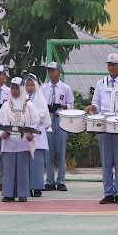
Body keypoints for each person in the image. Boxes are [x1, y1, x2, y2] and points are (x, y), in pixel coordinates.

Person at [84, 53, 118, 204]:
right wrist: (92, 107)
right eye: (109, 64)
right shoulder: (101, 83)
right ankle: (108, 192)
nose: (112, 67)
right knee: (106, 159)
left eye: (114, 64)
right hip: (105, 124)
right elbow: (97, 103)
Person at [0, 77, 40, 202]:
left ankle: (22, 193)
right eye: (12, 88)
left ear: (21, 89)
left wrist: (31, 133)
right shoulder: (6, 104)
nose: (14, 91)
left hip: (23, 141)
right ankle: (8, 193)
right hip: (9, 142)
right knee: (8, 169)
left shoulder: (29, 104)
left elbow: (35, 121)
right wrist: (1, 132)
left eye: (16, 88)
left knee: (22, 169)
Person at [40, 62, 74, 191]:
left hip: (60, 120)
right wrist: (47, 107)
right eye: (49, 71)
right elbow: (40, 104)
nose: (51, 73)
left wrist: (62, 106)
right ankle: (49, 180)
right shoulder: (44, 88)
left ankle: (61, 180)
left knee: (61, 151)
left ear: (59, 71)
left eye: (53, 70)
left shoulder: (65, 88)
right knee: (48, 152)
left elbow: (71, 105)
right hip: (48, 120)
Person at [24, 75, 52, 198]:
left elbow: (43, 113)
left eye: (31, 85)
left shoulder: (40, 98)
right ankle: (27, 186)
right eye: (27, 85)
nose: (29, 88)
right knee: (26, 162)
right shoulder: (21, 98)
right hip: (25, 132)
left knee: (37, 162)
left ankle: (37, 187)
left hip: (37, 132)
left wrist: (32, 113)